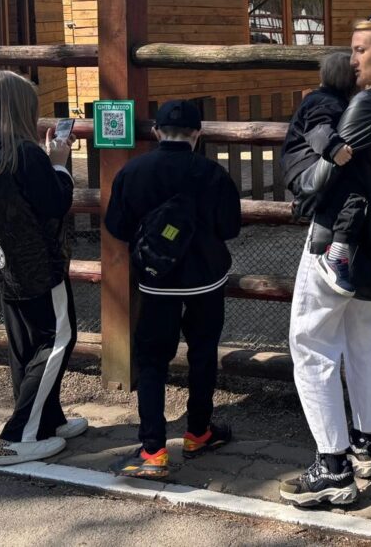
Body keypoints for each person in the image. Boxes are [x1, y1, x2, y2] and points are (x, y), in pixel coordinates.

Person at [280, 12, 371, 507]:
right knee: (364, 340)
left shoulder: (368, 102)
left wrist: (302, 175)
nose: (352, 59)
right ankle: (364, 445)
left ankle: (332, 468)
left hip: (338, 241)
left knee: (310, 344)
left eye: (361, 49)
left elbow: (318, 180)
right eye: (351, 50)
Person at [104, 99, 242, 479]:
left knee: (152, 360)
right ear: (198, 134)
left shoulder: (133, 172)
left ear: (156, 132)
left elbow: (117, 226)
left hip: (156, 281)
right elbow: (230, 228)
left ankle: (153, 449)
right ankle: (198, 432)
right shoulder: (213, 174)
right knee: (203, 352)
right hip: (206, 279)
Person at [0, 70, 84, 466]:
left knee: (25, 345)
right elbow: (56, 202)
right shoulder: (25, 155)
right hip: (39, 264)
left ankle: (45, 421)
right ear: (20, 109)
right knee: (57, 340)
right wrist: (58, 164)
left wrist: (45, 162)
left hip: (3, 260)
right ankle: (18, 437)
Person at [280, 51, 364, 295]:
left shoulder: (325, 98)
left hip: (301, 168)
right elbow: (318, 128)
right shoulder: (325, 102)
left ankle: (307, 203)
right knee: (355, 189)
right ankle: (335, 255)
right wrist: (334, 148)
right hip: (305, 168)